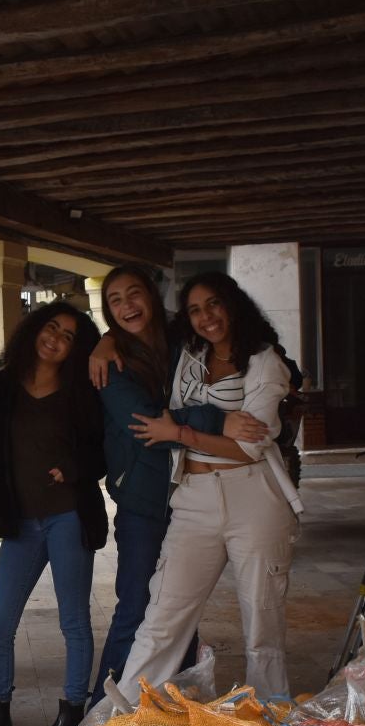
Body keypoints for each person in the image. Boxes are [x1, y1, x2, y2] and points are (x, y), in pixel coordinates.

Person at [115, 272, 304, 702]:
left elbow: (250, 448)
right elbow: (136, 326)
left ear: (233, 305)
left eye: (214, 304)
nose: (206, 317)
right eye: (196, 310)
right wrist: (107, 342)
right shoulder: (188, 353)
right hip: (195, 496)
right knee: (163, 615)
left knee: (263, 625)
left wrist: (179, 433)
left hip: (254, 497)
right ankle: (124, 721)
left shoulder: (265, 361)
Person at [87, 265, 268, 702]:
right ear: (109, 312)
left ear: (151, 295)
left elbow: (250, 354)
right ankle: (97, 713)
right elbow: (145, 426)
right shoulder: (111, 363)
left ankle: (172, 706)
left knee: (179, 612)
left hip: (192, 495)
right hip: (145, 504)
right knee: (137, 610)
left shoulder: (181, 341)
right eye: (115, 300)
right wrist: (219, 420)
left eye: (135, 293)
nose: (128, 305)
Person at [0, 302, 106, 726]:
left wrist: (74, 468)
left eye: (67, 335)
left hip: (68, 516)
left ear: (76, 347)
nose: (56, 339)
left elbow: (104, 450)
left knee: (74, 624)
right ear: (34, 330)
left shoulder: (82, 388)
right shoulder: (4, 384)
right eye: (51, 328)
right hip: (22, 522)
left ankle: (71, 713)